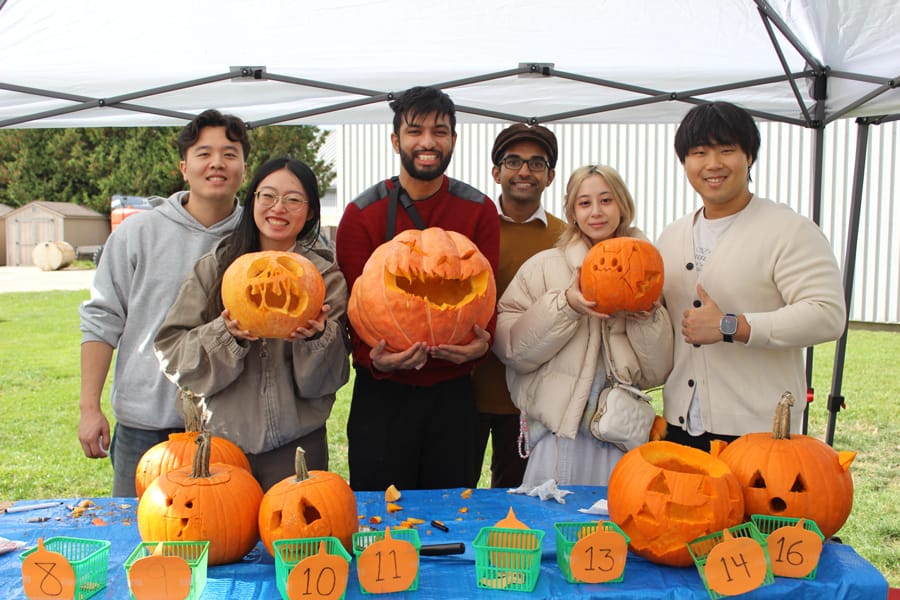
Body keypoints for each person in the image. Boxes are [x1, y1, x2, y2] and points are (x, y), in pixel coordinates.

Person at [335, 85, 500, 491]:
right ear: (396, 141)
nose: (428, 142)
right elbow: (354, 312)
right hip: (384, 395)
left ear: (454, 141)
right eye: (415, 131)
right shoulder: (361, 215)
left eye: (439, 131)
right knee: (380, 520)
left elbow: (485, 297)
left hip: (454, 394)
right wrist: (375, 360)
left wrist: (484, 344)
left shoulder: (479, 210)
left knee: (452, 513)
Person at [79, 109, 249, 497]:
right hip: (145, 426)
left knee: (226, 539)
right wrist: (89, 407)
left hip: (228, 428)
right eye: (204, 153)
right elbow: (101, 320)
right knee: (141, 540)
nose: (217, 163)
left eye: (229, 153)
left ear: (243, 166)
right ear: (184, 167)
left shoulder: (256, 237)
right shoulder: (138, 233)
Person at [657, 101, 846, 450]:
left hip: (760, 432)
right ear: (684, 162)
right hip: (680, 426)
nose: (713, 164)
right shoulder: (671, 236)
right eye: (699, 153)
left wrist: (733, 325)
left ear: (749, 157)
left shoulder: (788, 230)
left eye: (727, 150)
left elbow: (827, 315)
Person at [154, 158, 350, 490]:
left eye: (293, 200)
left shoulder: (324, 277)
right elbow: (174, 356)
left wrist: (316, 342)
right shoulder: (216, 268)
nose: (278, 208)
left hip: (298, 446)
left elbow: (329, 379)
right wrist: (224, 334)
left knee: (296, 538)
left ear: (311, 212)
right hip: (220, 444)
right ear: (253, 201)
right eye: (268, 196)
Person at [494, 165, 673, 487]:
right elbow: (512, 351)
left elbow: (656, 372)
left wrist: (647, 319)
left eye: (606, 200)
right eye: (585, 203)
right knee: (552, 526)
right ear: (572, 212)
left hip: (619, 435)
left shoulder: (648, 272)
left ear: (623, 206)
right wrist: (566, 306)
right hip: (558, 435)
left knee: (612, 527)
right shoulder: (543, 268)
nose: (596, 212)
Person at [471, 124, 567, 488]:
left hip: (530, 397)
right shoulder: (472, 229)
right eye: (513, 161)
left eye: (536, 163)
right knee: (459, 490)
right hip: (471, 388)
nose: (524, 171)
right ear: (496, 172)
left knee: (517, 495)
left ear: (550, 176)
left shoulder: (565, 238)